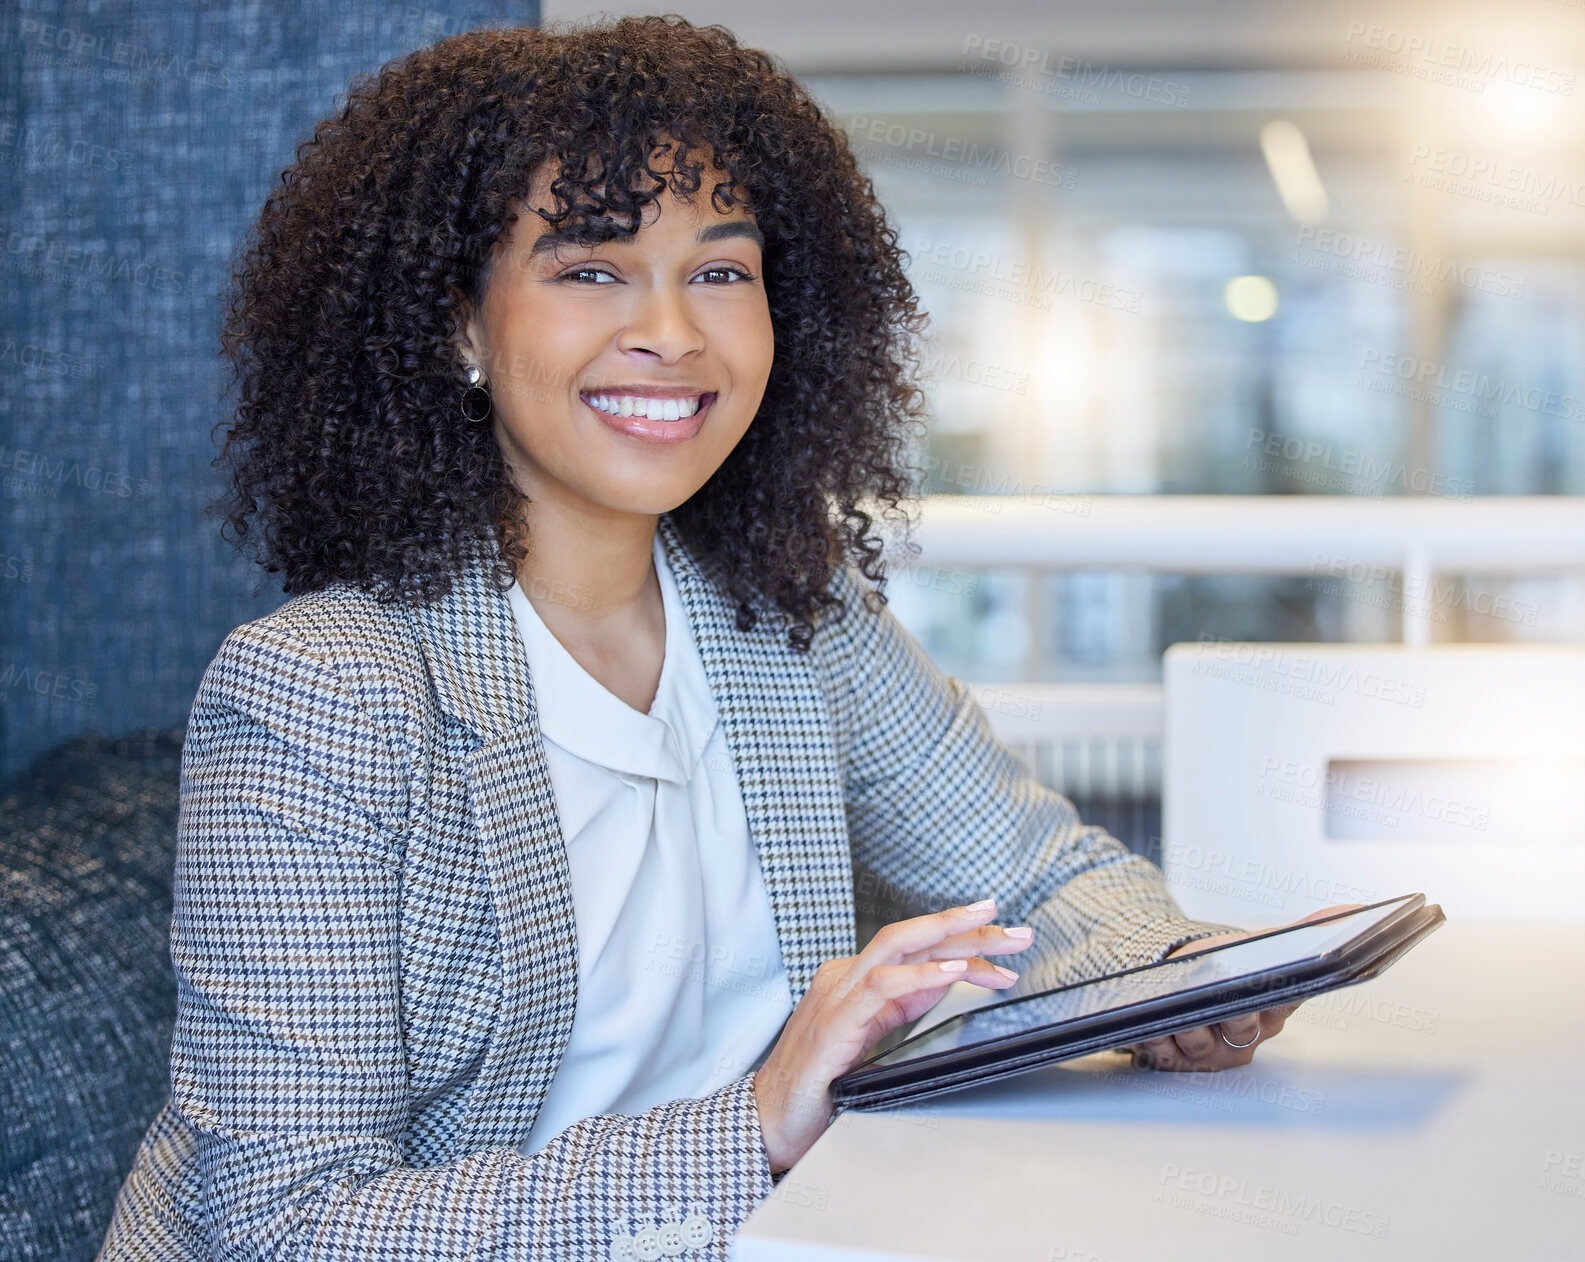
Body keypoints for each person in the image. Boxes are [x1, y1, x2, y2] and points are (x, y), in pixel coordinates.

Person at [98, 15, 1347, 1261]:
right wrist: (752, 1123)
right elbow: (279, 1225)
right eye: (590, 268)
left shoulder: (785, 615)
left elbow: (1035, 876)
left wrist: (1177, 977)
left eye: (719, 270)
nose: (675, 334)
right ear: (459, 325)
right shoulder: (321, 689)